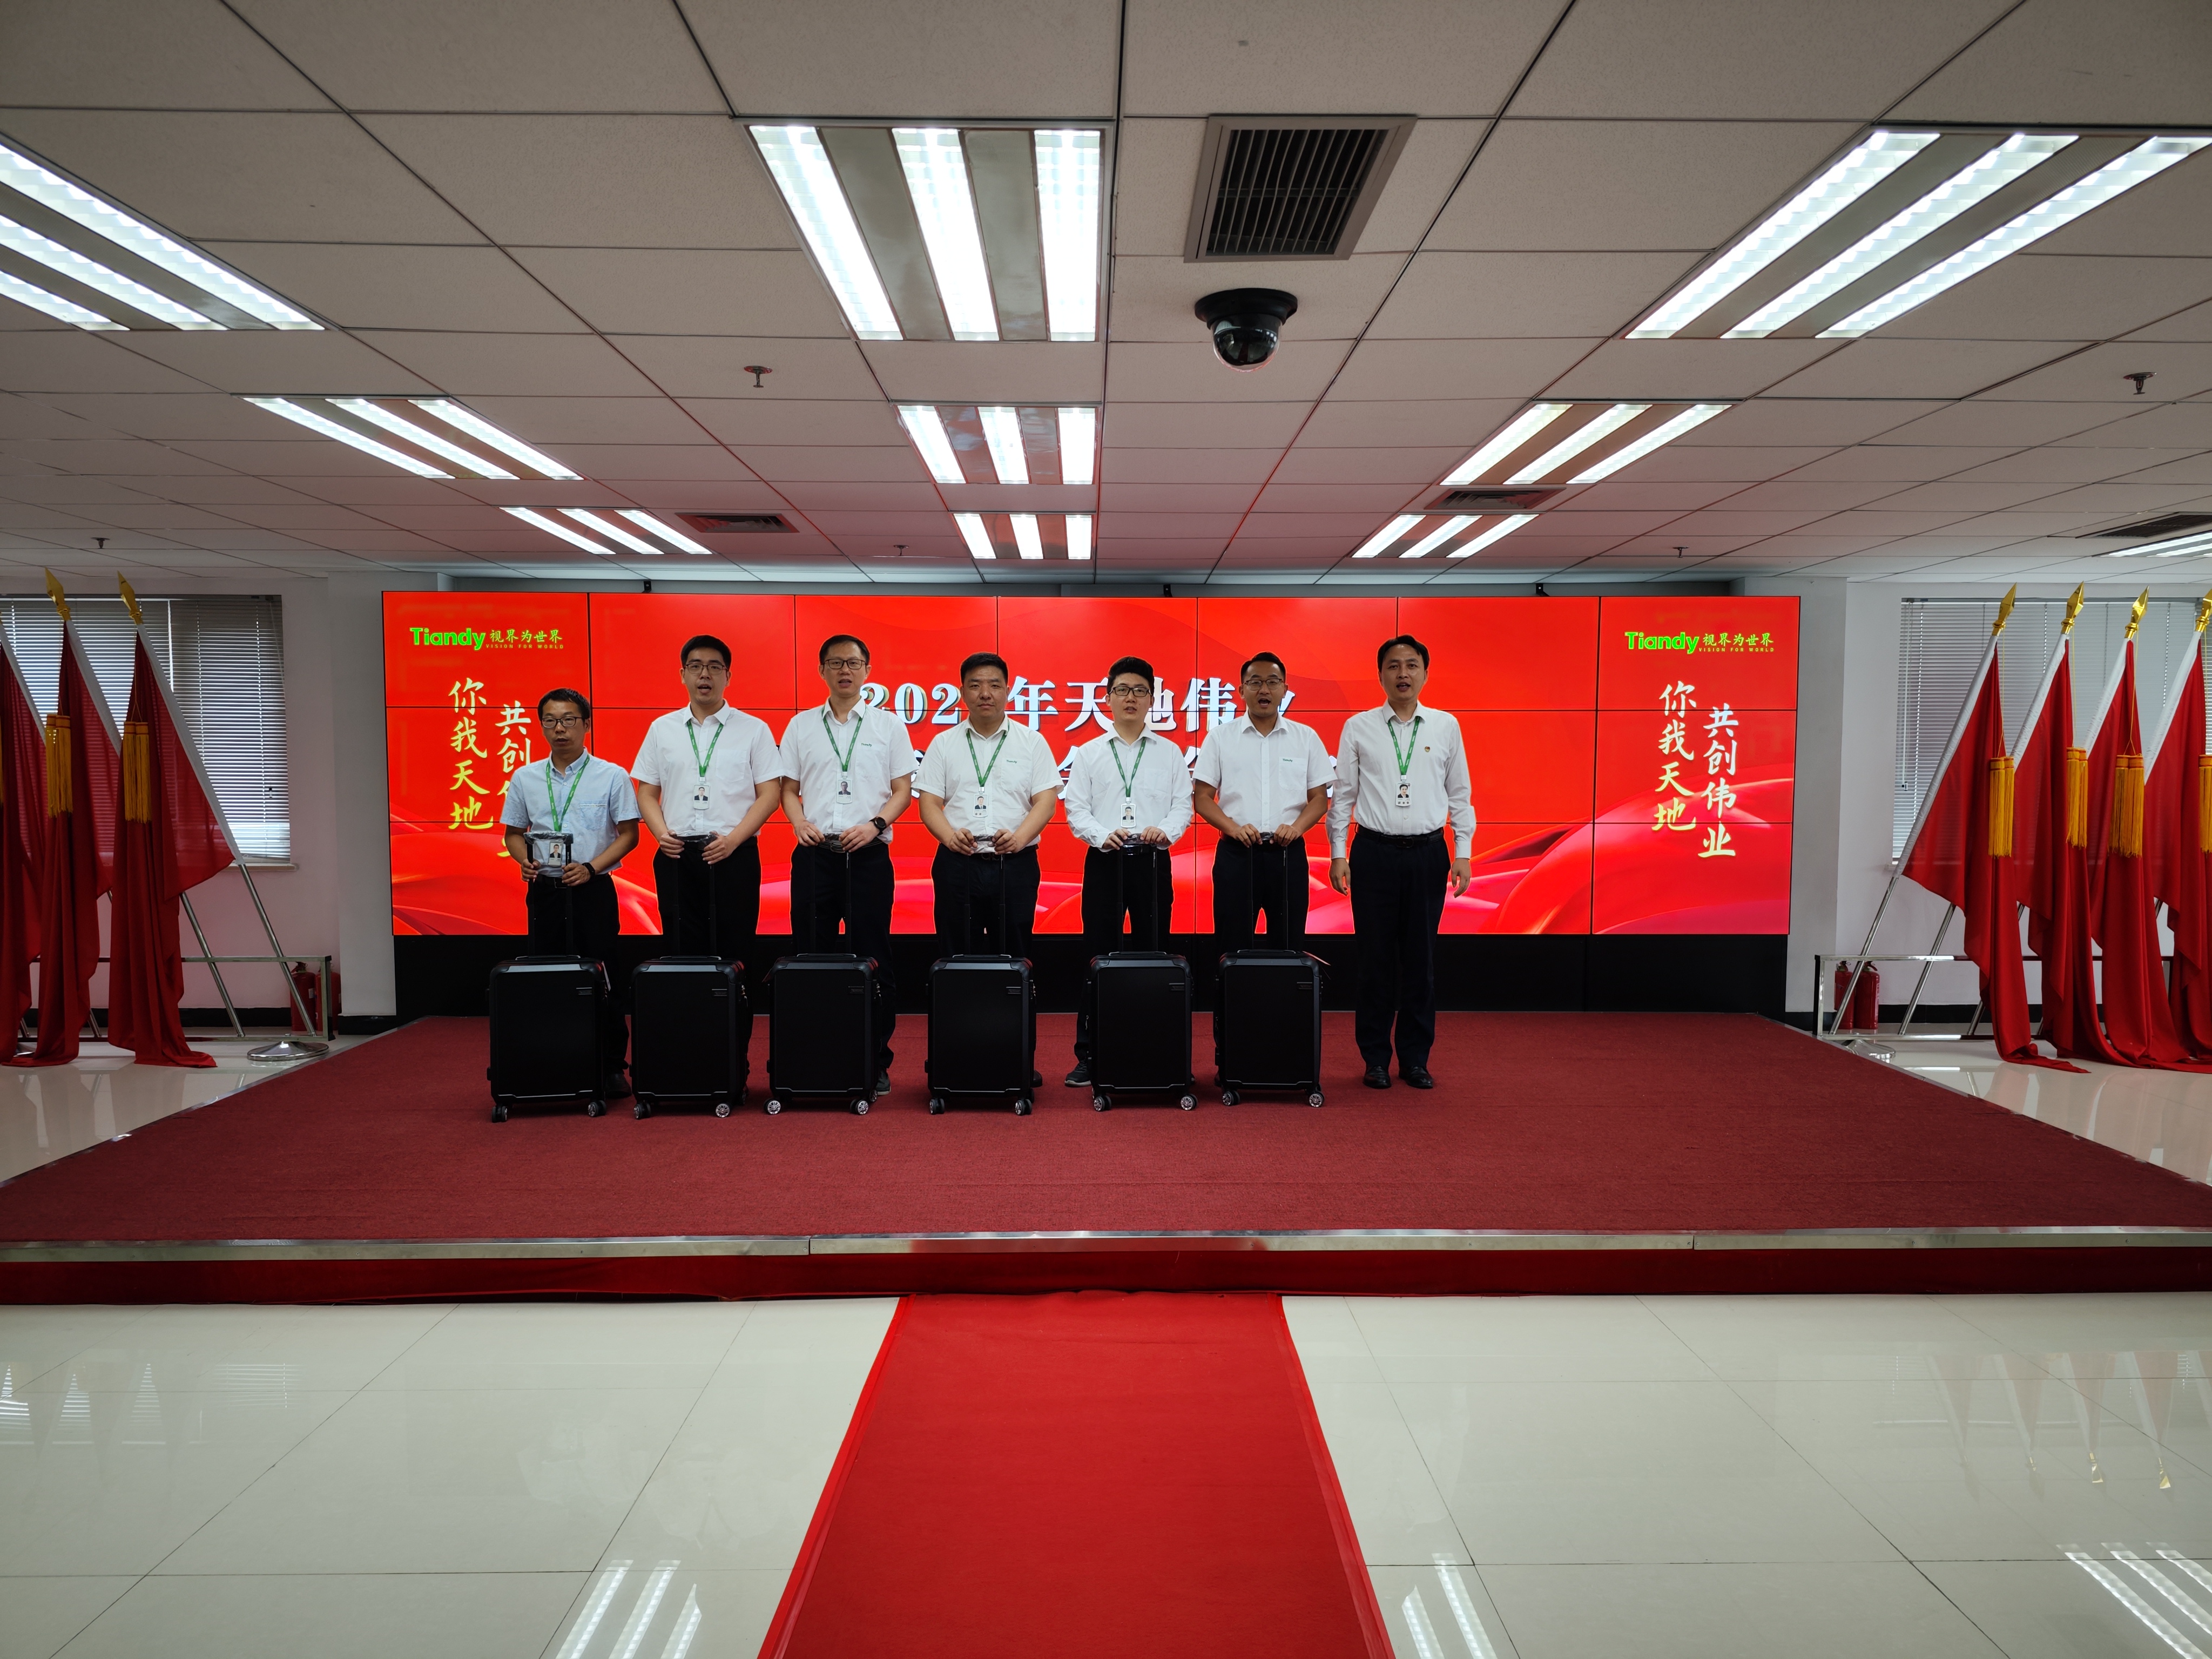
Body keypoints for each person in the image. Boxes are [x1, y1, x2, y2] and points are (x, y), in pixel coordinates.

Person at [1327, 635, 1474, 1091]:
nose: (1403, 674)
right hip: (1373, 854)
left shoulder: (1445, 726)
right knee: (1375, 962)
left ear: (1426, 673)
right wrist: (1338, 854)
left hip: (1428, 854)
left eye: (1412, 665)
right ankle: (1375, 1058)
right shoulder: (1359, 727)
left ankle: (1414, 1059)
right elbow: (1343, 796)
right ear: (1381, 675)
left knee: (1420, 961)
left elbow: (1460, 794)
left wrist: (1463, 851)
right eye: (1394, 666)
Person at [780, 632, 914, 1098]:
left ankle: (875, 1058)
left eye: (853, 663)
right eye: (835, 663)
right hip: (815, 855)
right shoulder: (800, 726)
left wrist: (875, 825)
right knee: (810, 958)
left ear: (867, 671)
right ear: (821, 670)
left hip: (868, 857)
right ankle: (818, 1054)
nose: (844, 671)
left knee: (875, 957)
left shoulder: (889, 726)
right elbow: (788, 789)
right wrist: (799, 823)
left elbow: (902, 790)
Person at [500, 688, 641, 1098]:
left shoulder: (611, 775)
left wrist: (592, 867)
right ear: (541, 725)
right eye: (550, 721)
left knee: (604, 977)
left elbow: (629, 835)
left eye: (568, 720)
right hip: (545, 892)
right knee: (546, 978)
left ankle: (612, 1067)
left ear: (586, 725)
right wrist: (523, 860)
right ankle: (554, 1060)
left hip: (592, 890)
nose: (559, 729)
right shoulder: (526, 777)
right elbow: (513, 834)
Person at [1061, 655, 1194, 1087]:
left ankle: (1154, 1047)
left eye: (1140, 691)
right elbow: (1076, 809)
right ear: (1107, 698)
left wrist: (1165, 831)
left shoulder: (1169, 752)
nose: (1131, 698)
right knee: (1097, 955)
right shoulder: (1089, 753)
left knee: (1155, 954)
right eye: (1122, 690)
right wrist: (1103, 835)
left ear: (1152, 699)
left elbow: (1183, 805)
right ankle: (1090, 1053)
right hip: (1105, 860)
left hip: (1152, 861)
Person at [630, 633, 782, 969]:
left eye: (714, 667)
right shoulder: (662, 729)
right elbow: (646, 792)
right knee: (682, 951)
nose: (705, 675)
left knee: (736, 949)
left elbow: (771, 795)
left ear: (728, 676)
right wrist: (661, 835)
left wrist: (733, 841)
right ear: (682, 674)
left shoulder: (754, 729)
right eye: (696, 666)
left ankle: (733, 1006)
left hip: (734, 855)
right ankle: (688, 1006)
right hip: (677, 855)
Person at [914, 651, 1061, 961]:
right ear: (962, 692)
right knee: (956, 953)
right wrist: (950, 838)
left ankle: (1013, 996)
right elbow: (929, 803)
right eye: (975, 685)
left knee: (1015, 953)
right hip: (958, 864)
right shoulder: (943, 743)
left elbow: (1046, 802)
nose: (985, 693)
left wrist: (1019, 839)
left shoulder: (1032, 742)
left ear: (1008, 691)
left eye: (994, 685)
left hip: (1015, 865)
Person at [1192, 650, 1333, 955]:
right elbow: (1202, 798)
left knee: (1288, 947)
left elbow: (1319, 799)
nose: (1264, 690)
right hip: (1237, 855)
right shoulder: (1220, 738)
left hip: (1287, 856)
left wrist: (1297, 828)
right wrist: (1233, 828)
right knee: (1232, 946)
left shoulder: (1306, 738)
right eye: (1255, 682)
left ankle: (1285, 991)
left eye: (1273, 682)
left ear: (1285, 689)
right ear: (1241, 690)